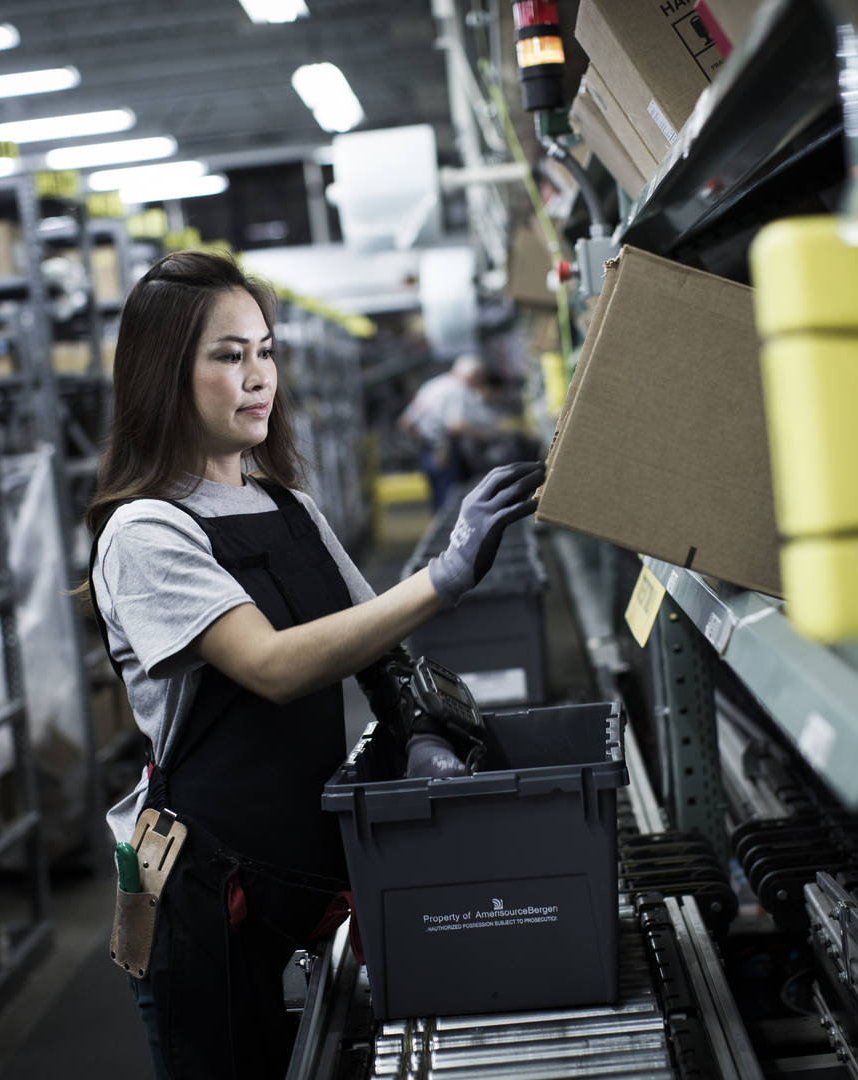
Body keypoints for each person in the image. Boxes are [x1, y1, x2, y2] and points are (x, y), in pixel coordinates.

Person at [82, 251, 543, 1080]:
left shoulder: (287, 505)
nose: (258, 378)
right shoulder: (146, 532)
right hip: (204, 893)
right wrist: (441, 576)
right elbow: (274, 666)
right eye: (228, 356)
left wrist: (423, 732)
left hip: (303, 869)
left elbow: (378, 648)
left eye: (265, 351)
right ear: (162, 374)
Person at [397, 353, 499, 510]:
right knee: (450, 502)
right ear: (473, 375)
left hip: (429, 450)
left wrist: (425, 444)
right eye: (479, 378)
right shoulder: (457, 389)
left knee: (438, 502)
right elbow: (456, 425)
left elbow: (406, 422)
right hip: (444, 451)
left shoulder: (434, 384)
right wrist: (484, 436)